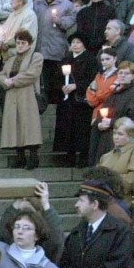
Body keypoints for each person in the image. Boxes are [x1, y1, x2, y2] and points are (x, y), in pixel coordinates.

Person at [0, 29, 43, 170]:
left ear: (29, 44)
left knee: (29, 125)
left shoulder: (36, 57)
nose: (20, 45)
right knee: (15, 125)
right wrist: (4, 81)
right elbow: (1, 74)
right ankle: (20, 157)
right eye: (18, 43)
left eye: (23, 43)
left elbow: (32, 74)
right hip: (12, 95)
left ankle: (33, 157)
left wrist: (13, 80)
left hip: (27, 94)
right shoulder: (11, 59)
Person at [53, 34, 98, 168]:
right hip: (67, 101)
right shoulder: (66, 60)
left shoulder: (90, 60)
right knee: (67, 128)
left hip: (81, 101)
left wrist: (76, 85)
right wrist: (62, 86)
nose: (75, 45)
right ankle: (69, 156)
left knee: (81, 129)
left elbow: (92, 78)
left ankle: (83, 157)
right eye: (73, 42)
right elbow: (57, 77)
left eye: (78, 42)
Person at [90, 60, 134, 163]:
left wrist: (111, 122)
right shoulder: (113, 94)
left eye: (127, 73)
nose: (123, 76)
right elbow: (102, 112)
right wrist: (99, 124)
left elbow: (132, 119)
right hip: (105, 137)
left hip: (121, 139)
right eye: (120, 73)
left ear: (133, 76)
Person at [99, 118, 134, 214]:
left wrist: (106, 178)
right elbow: (95, 178)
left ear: (131, 136)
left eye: (120, 134)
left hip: (128, 208)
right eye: (114, 133)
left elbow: (130, 182)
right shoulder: (106, 156)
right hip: (105, 206)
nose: (115, 137)